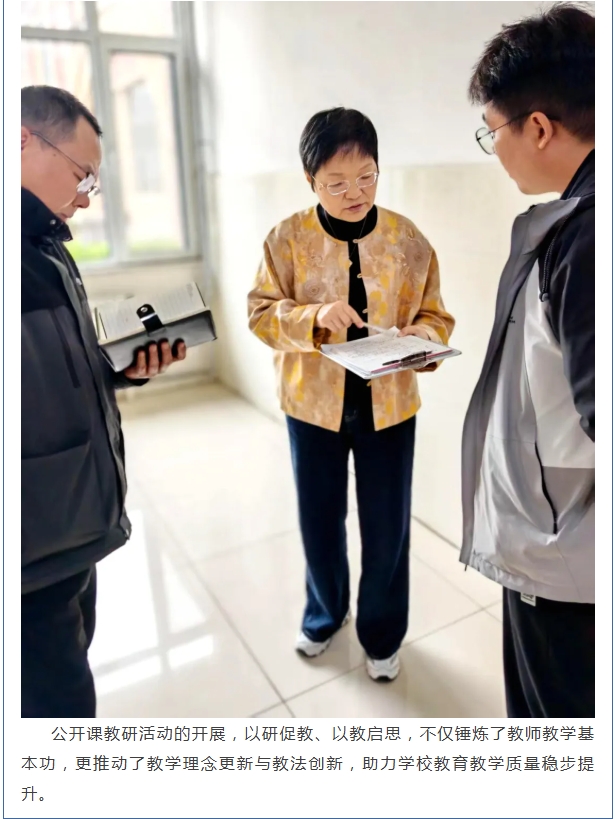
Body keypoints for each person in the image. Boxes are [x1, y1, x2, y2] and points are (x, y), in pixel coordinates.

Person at [248, 108, 454, 681]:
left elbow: (436, 316)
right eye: (336, 183)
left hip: (390, 408)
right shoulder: (286, 239)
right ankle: (324, 613)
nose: (355, 193)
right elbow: (260, 315)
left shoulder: (407, 240)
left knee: (388, 527)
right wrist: (313, 317)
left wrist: (426, 338)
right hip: (311, 408)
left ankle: (382, 635)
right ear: (310, 180)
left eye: (366, 177)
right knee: (319, 521)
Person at [21, 85, 187, 717]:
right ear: (22, 140)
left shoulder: (47, 245)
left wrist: (121, 368)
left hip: (70, 527)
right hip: (29, 547)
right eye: (81, 175)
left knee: (69, 668)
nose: (87, 196)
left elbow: (54, 368)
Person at [460, 4, 595, 716]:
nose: (495, 148)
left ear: (537, 127)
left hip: (567, 559)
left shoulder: (585, 238)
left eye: (493, 132)